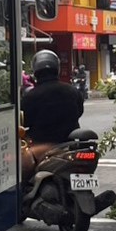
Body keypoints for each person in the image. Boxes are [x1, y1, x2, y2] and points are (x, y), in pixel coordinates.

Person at [20, 50, 83, 182]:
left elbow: (24, 122)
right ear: (57, 69)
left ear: (35, 71)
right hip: (70, 145)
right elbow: (79, 112)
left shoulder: (30, 96)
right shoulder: (72, 91)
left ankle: (24, 200)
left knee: (22, 172)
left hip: (42, 148)